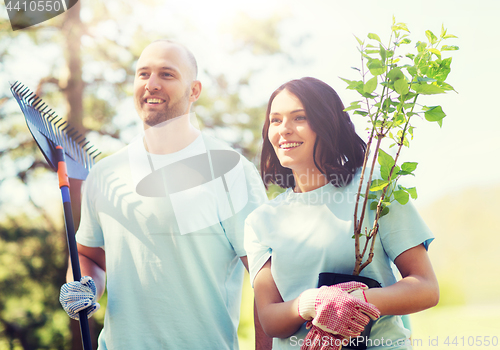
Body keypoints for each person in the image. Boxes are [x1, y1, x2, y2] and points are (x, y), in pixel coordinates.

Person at [59, 40, 272, 349]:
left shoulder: (230, 170)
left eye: (167, 75)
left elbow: (266, 279)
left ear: (194, 90)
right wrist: (84, 286)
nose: (152, 84)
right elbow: (88, 254)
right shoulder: (105, 174)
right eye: (143, 74)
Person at [244, 77, 439, 349]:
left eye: (299, 117)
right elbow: (270, 320)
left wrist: (356, 301)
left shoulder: (374, 187)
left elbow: (425, 288)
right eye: (275, 121)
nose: (284, 129)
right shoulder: (260, 221)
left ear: (327, 123)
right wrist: (312, 303)